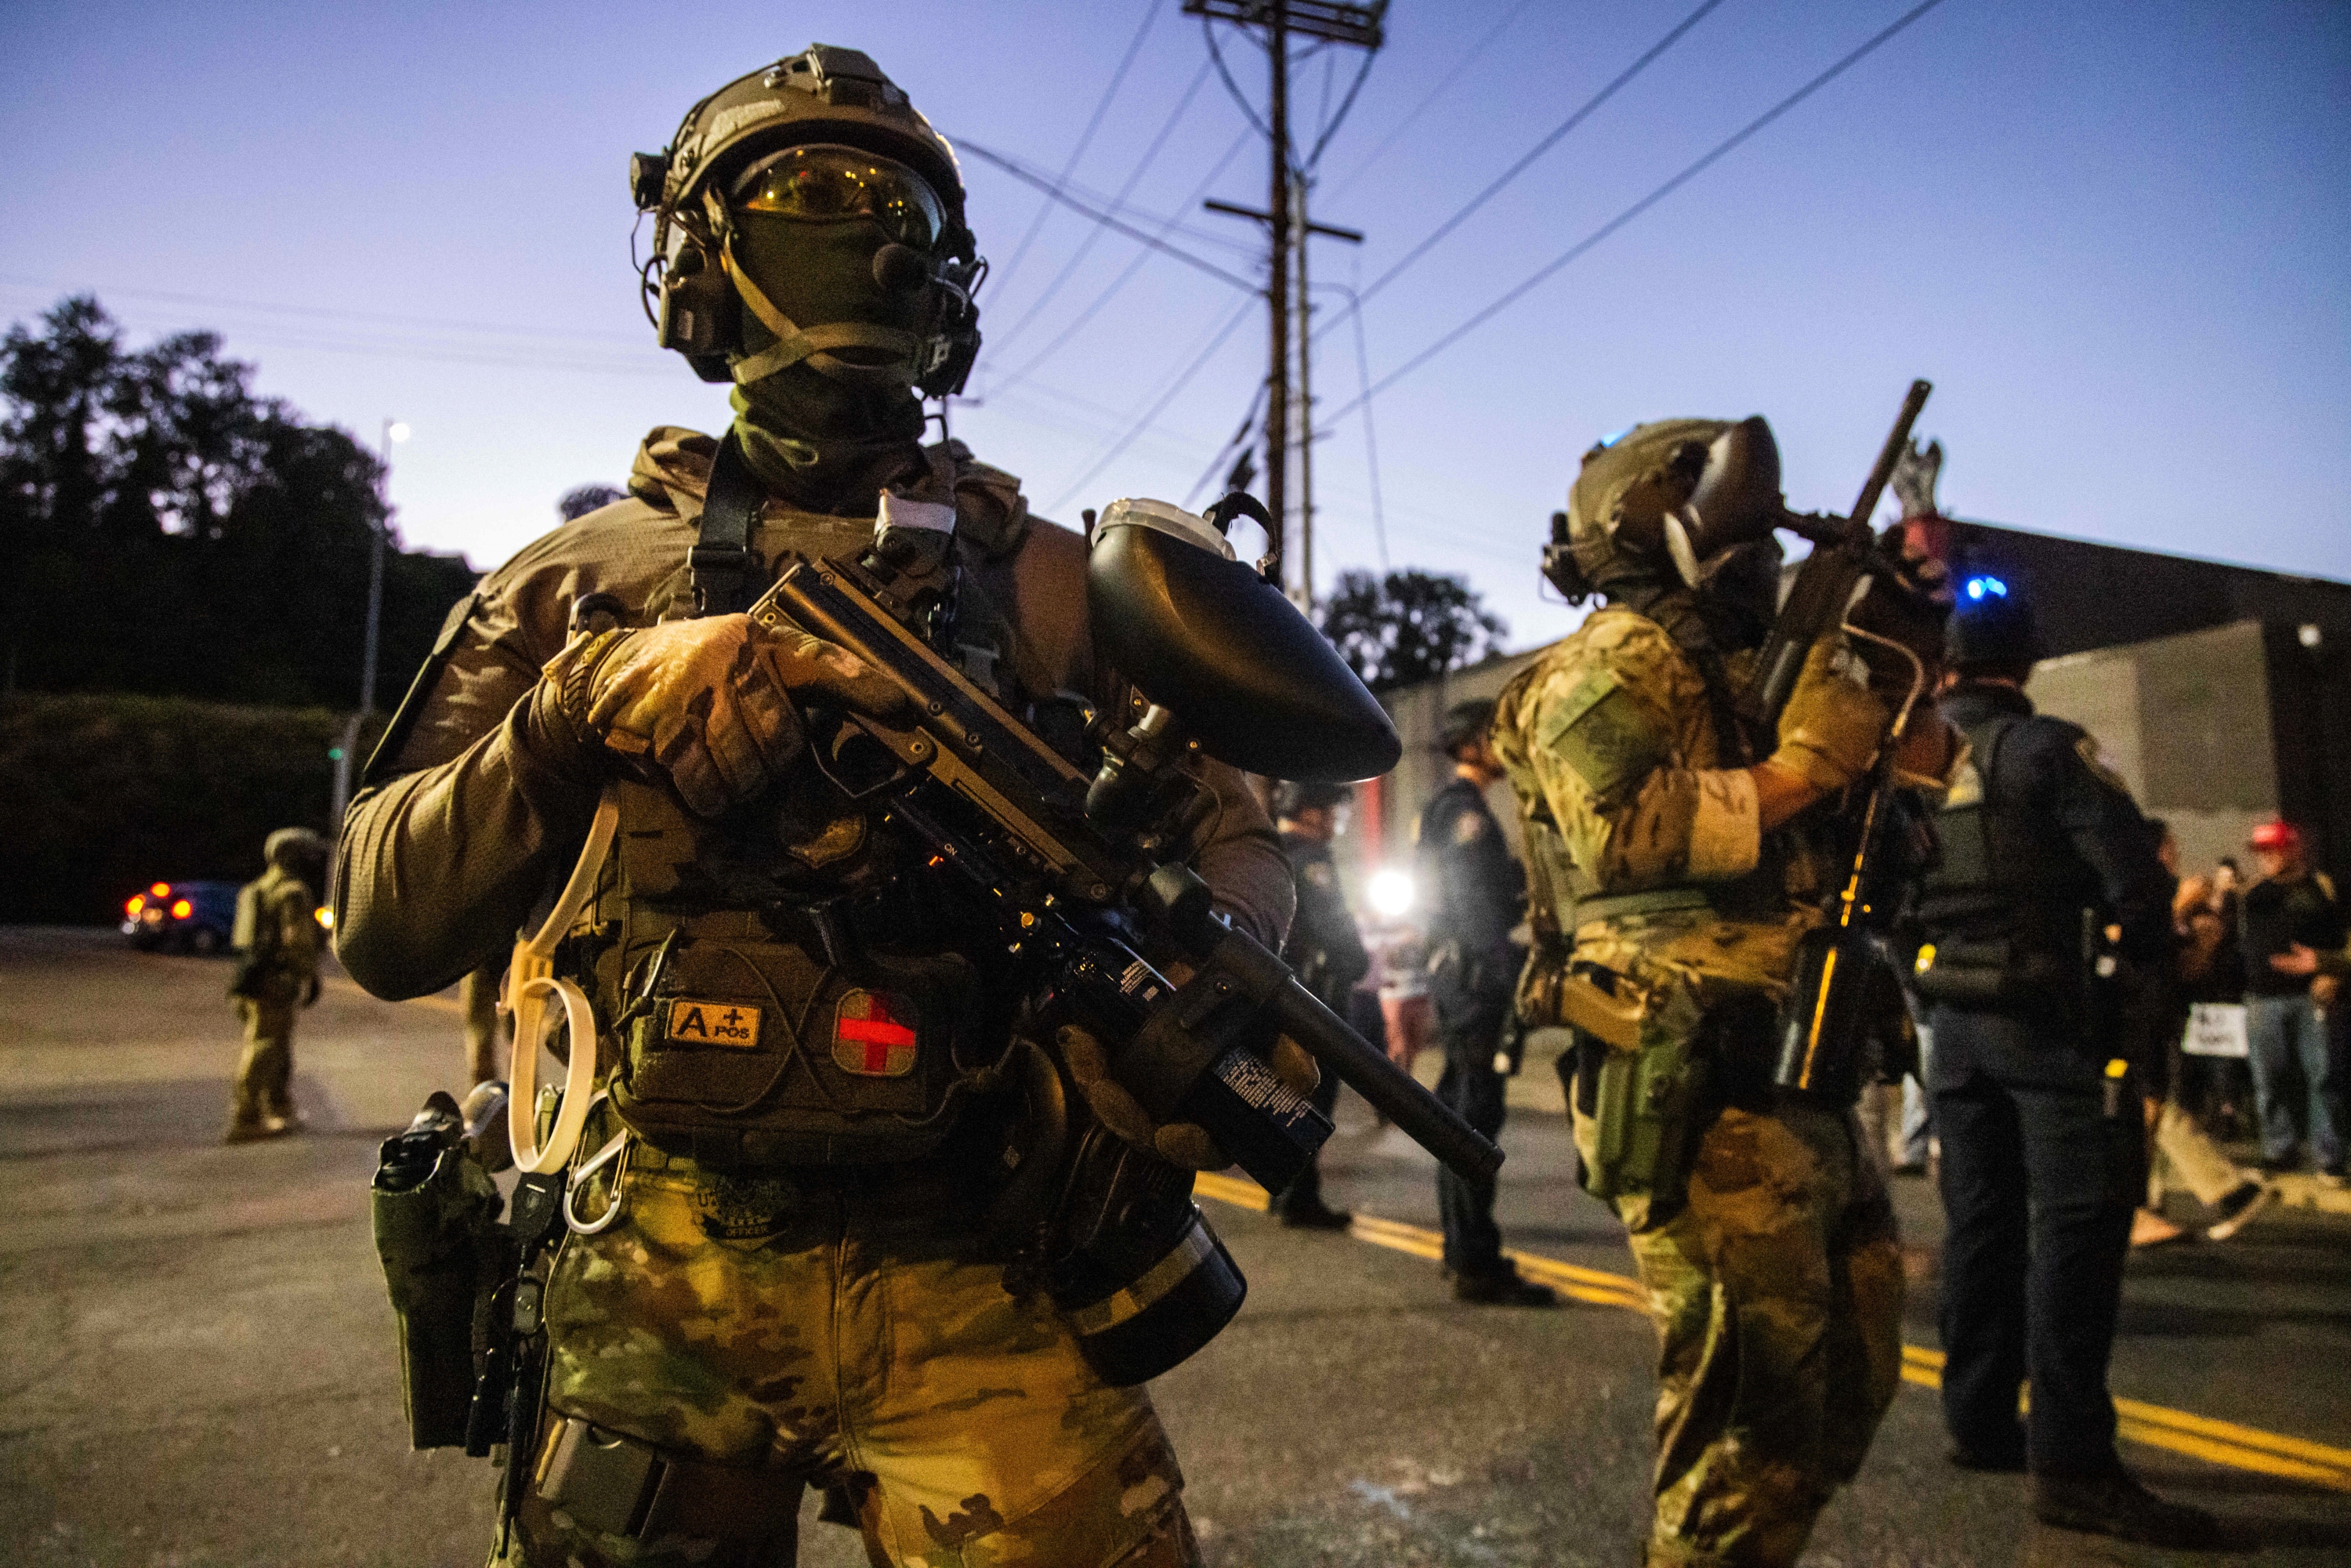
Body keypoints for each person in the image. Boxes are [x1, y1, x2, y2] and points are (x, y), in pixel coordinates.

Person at [335, 45, 1295, 1568]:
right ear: (702, 260)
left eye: (899, 195)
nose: (870, 228)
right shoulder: (581, 581)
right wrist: (577, 708)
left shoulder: (1053, 582)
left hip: (976, 1255)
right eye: (810, 188)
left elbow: (1239, 841)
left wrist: (1177, 1001)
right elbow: (380, 913)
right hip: (651, 1262)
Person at [1495, 416, 1950, 1565]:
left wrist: (1889, 715)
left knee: (1845, 1384)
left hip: (1802, 1074)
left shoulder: (1745, 673)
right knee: (1749, 1430)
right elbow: (1625, 835)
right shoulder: (1611, 658)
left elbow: (1870, 841)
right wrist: (1803, 769)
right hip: (1700, 1087)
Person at [1910, 587, 2222, 1547]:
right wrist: (2145, 987)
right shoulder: (2048, 748)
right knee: (2080, 1232)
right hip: (2046, 1024)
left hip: (1952, 1025)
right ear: (2028, 664)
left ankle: (1976, 1418)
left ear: (1951, 664)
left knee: (1983, 1225)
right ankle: (2076, 1464)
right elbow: (2133, 878)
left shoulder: (1917, 762)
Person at [1418, 698, 1555, 1307]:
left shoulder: (1452, 809)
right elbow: (1474, 907)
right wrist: (1508, 972)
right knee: (1475, 1119)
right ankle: (1474, 1259)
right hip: (1475, 982)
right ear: (1470, 745)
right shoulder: (1463, 812)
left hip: (1460, 976)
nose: (1504, 744)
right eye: (1493, 736)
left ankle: (1462, 1248)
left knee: (1459, 1117)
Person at [1272, 780, 1369, 1229]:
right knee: (1313, 1095)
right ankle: (1300, 1196)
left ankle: (1284, 1186)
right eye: (1335, 812)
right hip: (1316, 995)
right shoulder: (1310, 860)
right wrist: (1357, 960)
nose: (1338, 823)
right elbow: (1334, 930)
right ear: (1311, 811)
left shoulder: (1270, 851)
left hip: (1281, 991)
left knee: (1285, 1089)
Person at [2238, 818, 2346, 1183]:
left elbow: (2341, 940)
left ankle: (2328, 1155)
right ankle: (2278, 1149)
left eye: (2274, 849)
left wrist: (2330, 972)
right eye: (2261, 852)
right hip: (2261, 1001)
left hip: (2308, 998)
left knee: (2322, 1077)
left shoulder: (2322, 889)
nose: (2266, 858)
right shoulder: (2252, 895)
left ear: (2292, 848)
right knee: (2268, 1079)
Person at [224, 827, 324, 1143]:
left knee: (277, 1047)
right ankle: (247, 1117)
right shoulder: (293, 892)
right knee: (265, 1046)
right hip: (275, 982)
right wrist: (308, 976)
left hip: (250, 979)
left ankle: (278, 1107)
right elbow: (297, 942)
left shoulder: (255, 889)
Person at [458, 955, 510, 1088]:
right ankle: (485, 1101)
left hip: (514, 952)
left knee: (521, 1045)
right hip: (480, 955)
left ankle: (524, 1103)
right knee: (481, 1043)